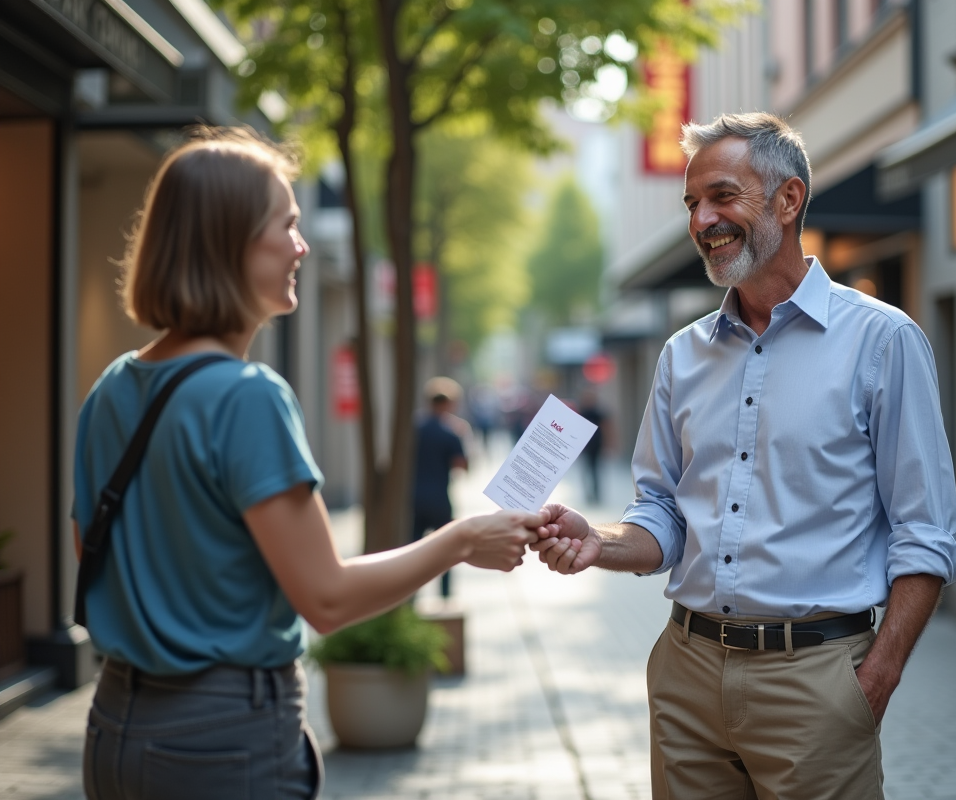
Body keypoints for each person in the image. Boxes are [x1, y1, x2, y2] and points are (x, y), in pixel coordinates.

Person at [71, 128, 545, 799]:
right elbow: (326, 598)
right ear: (229, 240)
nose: (301, 245)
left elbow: (95, 565)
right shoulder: (247, 396)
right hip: (222, 740)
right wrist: (461, 539)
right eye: (286, 224)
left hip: (115, 727)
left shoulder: (111, 390)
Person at [532, 113, 956, 800]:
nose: (702, 219)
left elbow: (927, 534)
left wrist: (873, 681)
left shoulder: (883, 341)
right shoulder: (682, 355)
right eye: (691, 204)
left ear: (789, 200)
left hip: (817, 680)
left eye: (722, 196)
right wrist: (599, 542)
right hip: (685, 672)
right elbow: (660, 514)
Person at [413, 377, 470, 598]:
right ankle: (445, 596)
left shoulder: (413, 428)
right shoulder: (451, 432)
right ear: (449, 403)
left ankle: (411, 598)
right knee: (447, 550)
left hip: (414, 497)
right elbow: (461, 466)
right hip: (439, 498)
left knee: (412, 550)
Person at [576, 388, 608, 505]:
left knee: (596, 471)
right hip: (586, 446)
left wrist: (607, 444)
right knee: (586, 470)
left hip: (596, 445)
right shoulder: (582, 412)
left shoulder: (598, 412)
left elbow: (606, 427)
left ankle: (596, 494)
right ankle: (588, 494)